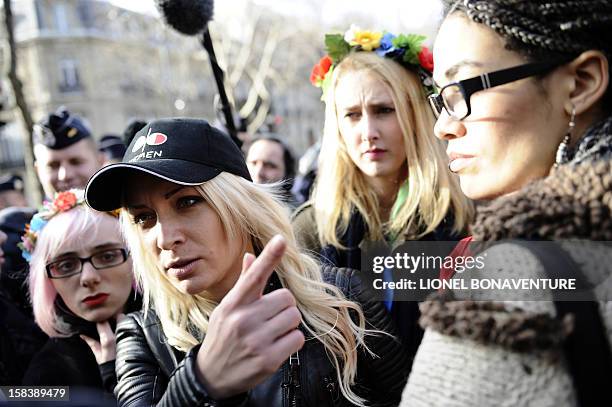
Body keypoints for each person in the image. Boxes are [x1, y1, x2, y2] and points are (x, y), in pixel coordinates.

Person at [85, 118, 409, 406]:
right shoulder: (143, 337)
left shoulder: (342, 297)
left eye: (187, 202)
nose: (165, 237)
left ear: (239, 206)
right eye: (143, 217)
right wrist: (201, 381)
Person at [401, 1, 612, 406]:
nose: (443, 126)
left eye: (462, 88)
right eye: (439, 100)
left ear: (581, 83)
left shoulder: (508, 283)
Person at [293, 27, 474, 357]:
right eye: (352, 115)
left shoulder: (466, 217)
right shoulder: (309, 229)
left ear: (415, 116)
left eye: (384, 111)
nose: (368, 132)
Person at [20, 189, 139, 399]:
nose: (88, 277)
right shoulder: (45, 375)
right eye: (66, 265)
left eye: (108, 256)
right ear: (47, 281)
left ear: (135, 256)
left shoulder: (179, 331)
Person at [33, 107, 104, 198]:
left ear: (100, 161)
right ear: (38, 171)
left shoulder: (124, 211)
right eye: (53, 166)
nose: (65, 175)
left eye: (76, 162)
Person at [246, 135, 297, 207]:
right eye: (254, 163)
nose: (258, 172)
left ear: (287, 173)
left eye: (269, 166)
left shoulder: (297, 215)